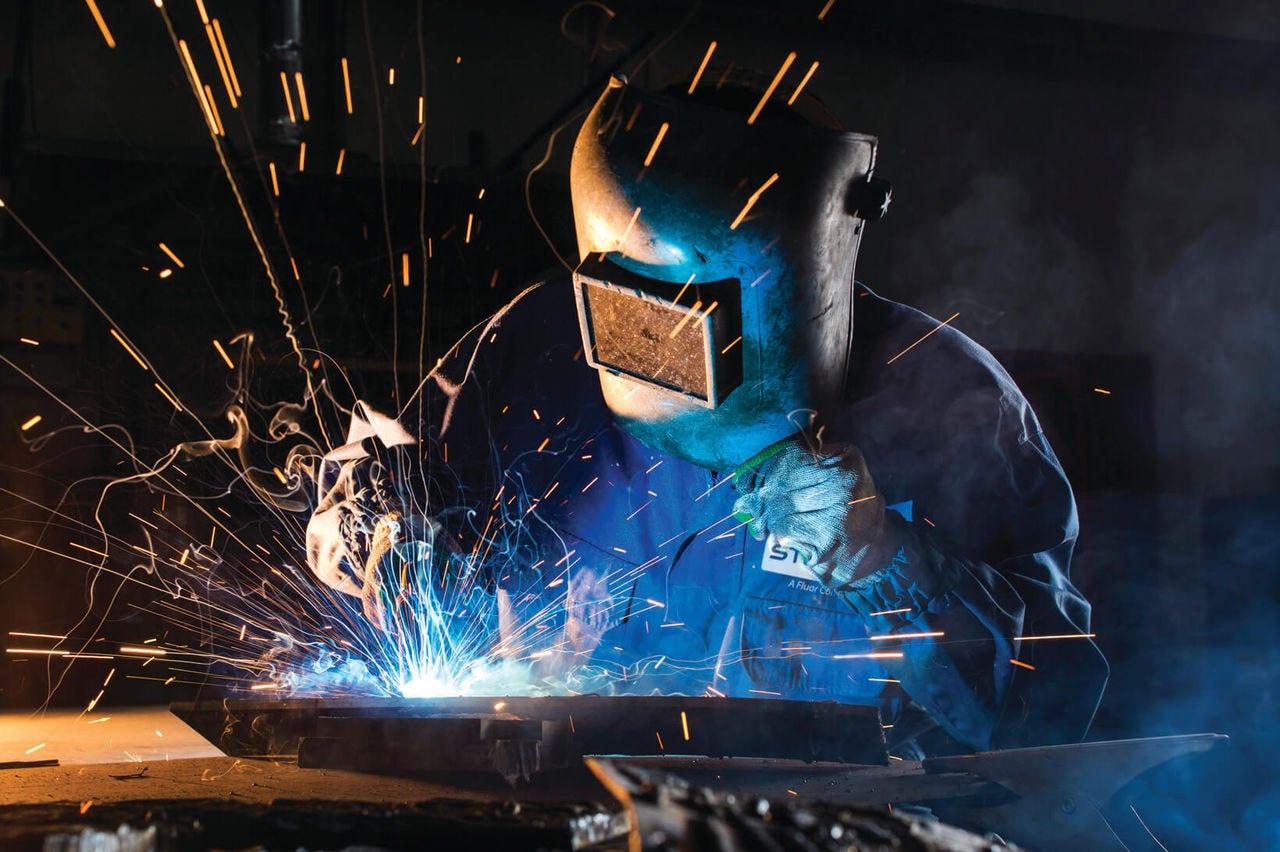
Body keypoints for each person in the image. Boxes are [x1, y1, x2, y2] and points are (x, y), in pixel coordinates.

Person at [305, 73, 1107, 756]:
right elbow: (374, 482)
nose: (666, 341)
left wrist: (889, 562)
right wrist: (379, 523)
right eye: (635, 305)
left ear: (800, 255)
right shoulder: (535, 346)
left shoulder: (947, 402)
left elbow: (1056, 708)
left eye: (702, 308)